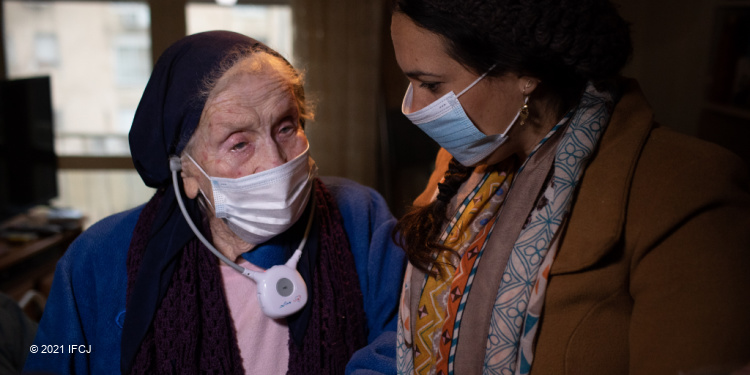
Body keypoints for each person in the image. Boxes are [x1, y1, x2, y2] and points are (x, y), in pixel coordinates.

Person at [389, 1, 750, 375]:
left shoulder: (683, 188)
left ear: (524, 73)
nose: (413, 107)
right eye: (410, 83)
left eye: (430, 85)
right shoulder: (461, 165)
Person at [24, 31, 405, 374]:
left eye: (286, 127)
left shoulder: (360, 216)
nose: (274, 161)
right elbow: (55, 356)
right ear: (186, 173)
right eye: (239, 143)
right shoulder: (98, 257)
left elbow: (405, 342)